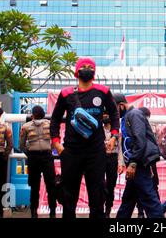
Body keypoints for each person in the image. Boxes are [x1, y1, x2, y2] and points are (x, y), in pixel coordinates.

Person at [50, 57, 120, 219]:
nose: (87, 69)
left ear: (94, 72)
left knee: (97, 196)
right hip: (71, 152)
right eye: (84, 66)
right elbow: (54, 120)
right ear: (77, 71)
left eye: (91, 67)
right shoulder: (66, 93)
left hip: (96, 152)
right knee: (69, 197)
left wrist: (114, 136)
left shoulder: (103, 91)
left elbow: (115, 114)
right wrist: (56, 144)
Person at [115, 96, 164, 218]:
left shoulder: (134, 114)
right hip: (134, 163)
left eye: (114, 108)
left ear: (121, 105)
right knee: (128, 199)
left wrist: (133, 163)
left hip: (139, 164)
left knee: (149, 198)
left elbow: (140, 140)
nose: (113, 112)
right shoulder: (126, 117)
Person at [20, 105, 56, 218]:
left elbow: (55, 139)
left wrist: (50, 150)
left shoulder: (49, 124)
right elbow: (22, 145)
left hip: (46, 157)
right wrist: (30, 154)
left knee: (51, 185)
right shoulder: (25, 127)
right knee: (34, 186)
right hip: (34, 157)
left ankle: (52, 211)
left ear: (33, 114)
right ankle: (34, 211)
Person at [102, 110, 125, 218]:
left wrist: (120, 164)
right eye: (103, 116)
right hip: (101, 158)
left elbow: (120, 149)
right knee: (100, 185)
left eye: (107, 115)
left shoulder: (117, 132)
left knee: (111, 185)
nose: (105, 117)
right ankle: (100, 208)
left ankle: (108, 210)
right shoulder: (99, 130)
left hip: (113, 158)